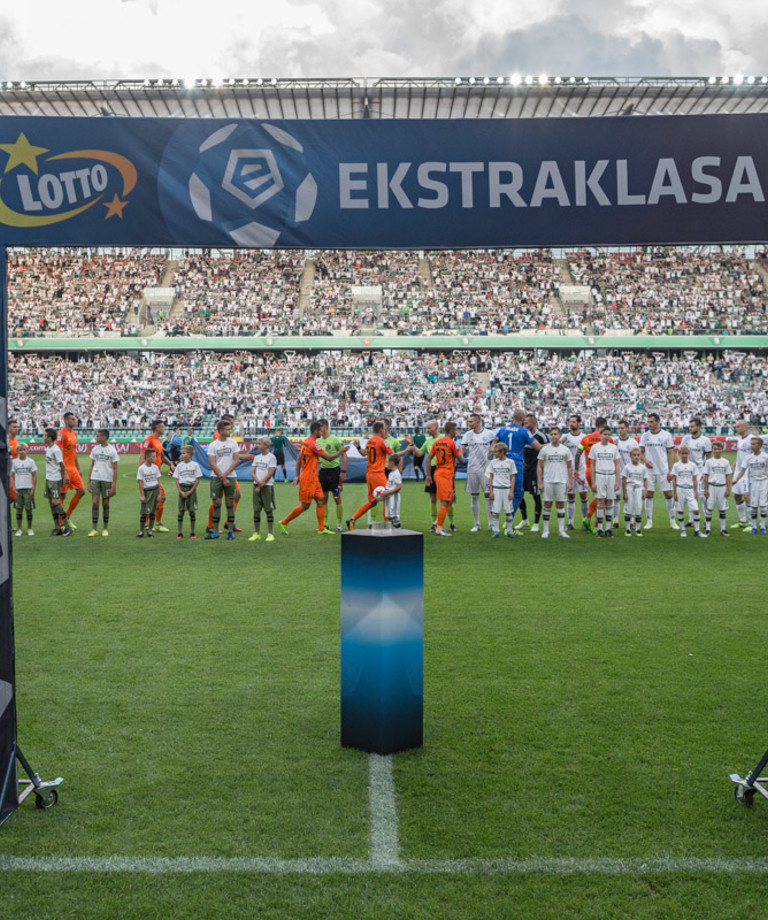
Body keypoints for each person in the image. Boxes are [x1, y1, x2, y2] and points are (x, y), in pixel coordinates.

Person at [282, 421, 348, 535]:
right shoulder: (314, 444)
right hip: (308, 479)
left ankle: (322, 528)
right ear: (316, 431)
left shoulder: (306, 442)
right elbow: (329, 457)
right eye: (320, 431)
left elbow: (298, 460)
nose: (321, 433)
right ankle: (284, 522)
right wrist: (341, 451)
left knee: (321, 500)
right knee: (305, 506)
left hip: (314, 478)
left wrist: (297, 475)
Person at [347, 420, 409, 530]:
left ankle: (352, 520)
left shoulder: (370, 441)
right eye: (384, 429)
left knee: (372, 502)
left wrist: (357, 447)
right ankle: (388, 524)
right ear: (381, 430)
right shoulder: (382, 442)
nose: (385, 431)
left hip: (369, 474)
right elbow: (393, 455)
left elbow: (364, 453)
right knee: (388, 498)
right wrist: (407, 450)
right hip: (378, 474)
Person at [494, 409, 543, 526]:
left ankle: (495, 524)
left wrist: (491, 459)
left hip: (502, 465)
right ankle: (508, 523)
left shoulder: (502, 429)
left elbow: (493, 446)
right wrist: (555, 444)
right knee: (517, 494)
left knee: (500, 493)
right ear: (522, 418)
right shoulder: (523, 432)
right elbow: (539, 447)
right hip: (516, 466)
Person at [206, 420, 243, 540]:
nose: (230, 431)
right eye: (227, 429)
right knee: (217, 503)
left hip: (231, 477)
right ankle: (215, 531)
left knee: (229, 504)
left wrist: (226, 475)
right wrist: (222, 477)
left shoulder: (233, 443)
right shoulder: (213, 445)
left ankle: (230, 531)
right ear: (221, 431)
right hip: (216, 477)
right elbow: (212, 463)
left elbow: (236, 460)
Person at [426, 421, 464, 537]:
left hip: (438, 473)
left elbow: (428, 459)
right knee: (445, 501)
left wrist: (428, 475)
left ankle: (438, 521)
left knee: (450, 498)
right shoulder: (452, 443)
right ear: (451, 431)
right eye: (455, 430)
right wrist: (461, 448)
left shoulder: (437, 442)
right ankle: (439, 528)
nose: (457, 432)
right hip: (446, 474)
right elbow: (461, 459)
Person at [639, 413, 677, 530]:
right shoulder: (645, 436)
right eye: (648, 422)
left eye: (651, 422)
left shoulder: (666, 435)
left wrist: (671, 470)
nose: (649, 424)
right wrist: (645, 460)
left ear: (658, 422)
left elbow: (671, 452)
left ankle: (672, 520)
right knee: (649, 494)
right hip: (649, 471)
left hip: (663, 471)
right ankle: (649, 521)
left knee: (668, 494)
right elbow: (640, 451)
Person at [537, 425, 573, 539]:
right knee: (547, 504)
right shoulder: (545, 449)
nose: (553, 436)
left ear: (560, 436)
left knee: (560, 504)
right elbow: (539, 466)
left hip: (561, 480)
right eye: (551, 434)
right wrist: (540, 481)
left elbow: (570, 467)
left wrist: (570, 482)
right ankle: (546, 530)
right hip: (548, 480)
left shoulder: (565, 450)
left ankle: (561, 530)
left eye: (555, 434)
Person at [515, 412, 549, 533]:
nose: (524, 424)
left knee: (536, 496)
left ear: (533, 423)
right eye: (523, 422)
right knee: (518, 494)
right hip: (523, 469)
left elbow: (548, 447)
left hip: (535, 470)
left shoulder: (541, 435)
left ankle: (536, 523)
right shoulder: (523, 434)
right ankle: (524, 520)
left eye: (526, 422)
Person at [139, 419, 176, 532]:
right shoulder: (148, 440)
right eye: (162, 427)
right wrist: (142, 473)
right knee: (161, 497)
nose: (164, 429)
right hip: (149, 475)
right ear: (156, 428)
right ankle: (157, 523)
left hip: (156, 474)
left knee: (155, 499)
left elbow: (162, 455)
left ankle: (147, 523)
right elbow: (142, 456)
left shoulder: (159, 441)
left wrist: (170, 464)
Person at [576, 416, 611, 533]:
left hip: (588, 471)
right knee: (603, 499)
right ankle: (595, 523)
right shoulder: (608, 439)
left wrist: (576, 469)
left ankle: (589, 519)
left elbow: (578, 454)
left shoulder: (585, 439)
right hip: (601, 471)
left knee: (599, 497)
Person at [461, 413, 495, 532]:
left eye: (471, 422)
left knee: (488, 496)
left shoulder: (489, 434)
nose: (469, 424)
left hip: (486, 469)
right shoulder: (467, 435)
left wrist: (490, 462)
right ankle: (477, 524)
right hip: (472, 469)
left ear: (478, 422)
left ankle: (491, 523)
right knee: (474, 496)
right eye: (468, 421)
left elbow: (493, 449)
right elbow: (462, 450)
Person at [668, 444, 706, 537]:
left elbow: (694, 480)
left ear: (689, 454)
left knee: (696, 510)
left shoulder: (692, 465)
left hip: (690, 489)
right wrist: (675, 493)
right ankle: (683, 530)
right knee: (680, 510)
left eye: (686, 453)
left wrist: (695, 492)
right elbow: (674, 479)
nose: (684, 455)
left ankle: (697, 531)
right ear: (679, 454)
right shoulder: (676, 465)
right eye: (682, 453)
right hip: (680, 488)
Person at [86, 428, 119, 537]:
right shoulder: (95, 449)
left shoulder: (112, 450)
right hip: (95, 478)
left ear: (104, 437)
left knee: (105, 503)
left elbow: (115, 469)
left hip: (107, 479)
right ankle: (94, 529)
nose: (97, 438)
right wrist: (88, 481)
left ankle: (105, 528)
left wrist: (114, 486)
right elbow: (91, 466)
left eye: (98, 436)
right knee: (95, 502)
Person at [733, 435, 768, 535]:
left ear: (760, 445)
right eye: (751, 444)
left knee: (763, 506)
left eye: (753, 444)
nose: (751, 446)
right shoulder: (748, 458)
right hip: (752, 483)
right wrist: (736, 480)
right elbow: (742, 470)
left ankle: (762, 527)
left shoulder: (765, 457)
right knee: (753, 506)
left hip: (764, 483)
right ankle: (754, 526)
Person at [590, 426, 621, 537]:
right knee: (600, 501)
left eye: (609, 434)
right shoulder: (595, 447)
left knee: (609, 501)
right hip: (600, 475)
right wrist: (593, 481)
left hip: (611, 476)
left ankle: (608, 529)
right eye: (605, 434)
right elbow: (592, 465)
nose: (607, 436)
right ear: (600, 434)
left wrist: (617, 481)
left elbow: (617, 465)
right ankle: (599, 529)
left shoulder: (613, 448)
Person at [317, 419, 347, 533]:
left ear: (325, 427)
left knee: (337, 497)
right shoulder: (318, 441)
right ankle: (325, 524)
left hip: (335, 473)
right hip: (323, 472)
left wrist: (343, 471)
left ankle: (339, 524)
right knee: (323, 498)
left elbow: (344, 456)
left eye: (319, 427)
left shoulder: (335, 440)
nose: (318, 430)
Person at [680, 417, 712, 525]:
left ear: (699, 427)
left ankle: (706, 520)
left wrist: (706, 473)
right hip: (688, 471)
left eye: (692, 426)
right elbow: (681, 453)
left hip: (700, 471)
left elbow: (708, 458)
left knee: (701, 496)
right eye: (689, 426)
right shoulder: (685, 439)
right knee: (689, 494)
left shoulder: (705, 441)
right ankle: (692, 520)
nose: (690, 428)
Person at [57, 411, 85, 528]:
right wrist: (63, 472)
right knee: (62, 495)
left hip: (73, 469)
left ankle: (67, 516)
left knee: (81, 491)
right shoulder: (61, 434)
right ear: (66, 420)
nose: (75, 421)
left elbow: (74, 452)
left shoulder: (74, 433)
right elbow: (58, 453)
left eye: (75, 419)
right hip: (64, 469)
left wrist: (78, 468)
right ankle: (61, 522)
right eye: (72, 419)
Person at [43, 427, 72, 537]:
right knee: (51, 502)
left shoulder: (55, 449)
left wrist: (64, 477)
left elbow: (62, 464)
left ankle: (67, 527)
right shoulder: (48, 448)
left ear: (50, 438)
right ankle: (57, 527)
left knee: (55, 502)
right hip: (49, 478)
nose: (43, 437)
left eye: (45, 435)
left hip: (55, 479)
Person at [562, 414, 589, 530]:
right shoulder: (565, 437)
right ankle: (570, 523)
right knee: (570, 496)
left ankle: (585, 521)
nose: (571, 424)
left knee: (583, 495)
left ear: (579, 423)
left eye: (574, 422)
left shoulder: (585, 437)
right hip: (568, 471)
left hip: (581, 471)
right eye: (570, 422)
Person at [702, 440, 732, 537]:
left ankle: (723, 529)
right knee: (709, 508)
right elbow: (705, 476)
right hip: (712, 486)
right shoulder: (708, 462)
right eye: (715, 449)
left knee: (722, 509)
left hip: (722, 487)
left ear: (721, 450)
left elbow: (727, 476)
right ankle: (707, 529)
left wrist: (728, 488)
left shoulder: (726, 462)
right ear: (712, 450)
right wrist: (706, 489)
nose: (717, 451)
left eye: (719, 449)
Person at [249, 437, 277, 542]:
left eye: (260, 443)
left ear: (266, 445)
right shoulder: (256, 457)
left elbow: (270, 472)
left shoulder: (271, 457)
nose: (257, 445)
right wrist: (257, 483)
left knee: (268, 510)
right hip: (256, 486)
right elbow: (252, 472)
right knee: (256, 510)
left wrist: (261, 485)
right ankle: (256, 533)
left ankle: (270, 533)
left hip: (267, 486)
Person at [173, 443, 202, 539]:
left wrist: (192, 490)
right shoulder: (179, 466)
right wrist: (180, 491)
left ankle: (192, 532)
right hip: (182, 488)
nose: (182, 455)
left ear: (189, 454)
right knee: (181, 510)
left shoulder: (195, 465)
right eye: (182, 453)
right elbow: (176, 480)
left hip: (191, 489)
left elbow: (197, 479)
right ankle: (179, 532)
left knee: (192, 511)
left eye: (184, 453)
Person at [487, 441, 516, 539]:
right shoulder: (493, 462)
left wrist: (511, 491)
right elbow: (490, 477)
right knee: (495, 512)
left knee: (508, 511)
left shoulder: (510, 462)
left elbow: (512, 477)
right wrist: (491, 491)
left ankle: (509, 531)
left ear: (502, 452)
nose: (495, 454)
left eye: (496, 452)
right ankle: (496, 531)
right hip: (496, 489)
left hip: (506, 489)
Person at [615, 419, 639, 529]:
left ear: (627, 429)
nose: (620, 430)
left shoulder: (633, 442)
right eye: (619, 428)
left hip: (630, 474)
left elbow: (637, 457)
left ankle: (631, 520)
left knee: (629, 498)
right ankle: (615, 520)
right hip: (618, 474)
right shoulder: (615, 441)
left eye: (622, 428)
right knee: (616, 497)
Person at [731, 418, 753, 531]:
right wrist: (733, 466)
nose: (736, 428)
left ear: (745, 427)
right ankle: (743, 521)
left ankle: (752, 523)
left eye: (738, 426)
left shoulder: (752, 439)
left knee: (747, 496)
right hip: (737, 472)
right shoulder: (740, 439)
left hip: (747, 472)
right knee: (736, 496)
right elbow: (739, 454)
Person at [10, 440, 36, 536]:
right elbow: (12, 476)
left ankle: (29, 528)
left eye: (24, 450)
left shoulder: (31, 461)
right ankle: (19, 528)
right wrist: (13, 488)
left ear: (27, 451)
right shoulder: (14, 462)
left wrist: (33, 488)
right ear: (17, 451)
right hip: (18, 489)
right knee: (19, 509)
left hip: (28, 488)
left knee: (29, 509)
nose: (22, 452)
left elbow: (34, 476)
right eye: (20, 450)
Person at [621, 446, 647, 537]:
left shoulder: (643, 468)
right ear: (630, 456)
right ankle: (628, 529)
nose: (636, 457)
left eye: (638, 455)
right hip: (629, 488)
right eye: (634, 455)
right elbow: (623, 480)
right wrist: (624, 492)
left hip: (639, 489)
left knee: (639, 509)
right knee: (628, 508)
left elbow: (645, 480)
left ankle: (638, 529)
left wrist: (645, 491)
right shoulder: (627, 467)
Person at [137, 447, 162, 538]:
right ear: (147, 457)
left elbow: (158, 481)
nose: (155, 458)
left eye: (155, 456)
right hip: (147, 491)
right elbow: (140, 482)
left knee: (152, 512)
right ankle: (141, 530)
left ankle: (150, 530)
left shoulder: (155, 468)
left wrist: (159, 494)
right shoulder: (141, 469)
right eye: (153, 457)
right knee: (143, 512)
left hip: (155, 490)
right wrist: (142, 495)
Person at [375, 454, 403, 527]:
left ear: (392, 463)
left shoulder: (396, 474)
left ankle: (397, 528)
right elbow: (389, 486)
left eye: (388, 462)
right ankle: (390, 528)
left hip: (394, 497)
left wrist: (388, 492)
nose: (387, 464)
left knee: (394, 514)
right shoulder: (391, 473)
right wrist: (384, 492)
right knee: (388, 514)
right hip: (389, 497)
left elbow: (399, 486)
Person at [8, 418, 19, 504]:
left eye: (17, 427)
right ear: (8, 428)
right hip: (6, 473)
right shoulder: (5, 441)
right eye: (14, 427)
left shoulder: (16, 441)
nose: (16, 429)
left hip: (14, 473)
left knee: (13, 497)